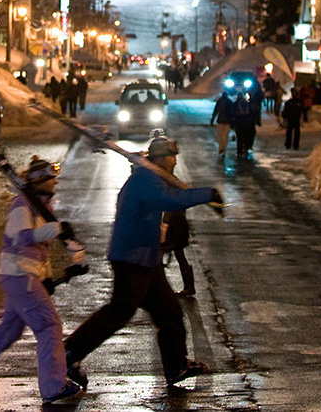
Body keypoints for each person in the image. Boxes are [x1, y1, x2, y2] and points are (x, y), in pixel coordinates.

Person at [63, 135, 221, 389]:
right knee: (119, 312)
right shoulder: (144, 180)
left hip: (147, 260)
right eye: (170, 156)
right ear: (159, 157)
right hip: (132, 260)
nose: (174, 161)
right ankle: (69, 353)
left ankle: (176, 366)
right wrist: (206, 194)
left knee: (169, 313)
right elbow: (169, 200)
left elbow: (169, 199)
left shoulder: (149, 178)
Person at [0, 157, 85, 404]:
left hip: (23, 276)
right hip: (20, 276)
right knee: (48, 326)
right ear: (39, 181)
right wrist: (57, 229)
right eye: (51, 179)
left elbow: (40, 250)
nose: (55, 183)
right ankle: (54, 386)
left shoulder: (42, 208)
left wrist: (49, 277)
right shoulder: (22, 205)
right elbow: (23, 238)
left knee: (8, 330)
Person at [161, 207, 194, 297]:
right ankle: (189, 287)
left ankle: (157, 286)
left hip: (173, 226)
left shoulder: (171, 193)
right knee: (179, 254)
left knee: (160, 252)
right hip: (180, 224)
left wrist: (164, 226)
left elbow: (170, 208)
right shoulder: (182, 193)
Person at [232, 92, 258, 159]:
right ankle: (246, 149)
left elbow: (233, 115)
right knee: (246, 137)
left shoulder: (235, 105)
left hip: (239, 125)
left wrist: (233, 123)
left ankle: (240, 151)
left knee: (240, 138)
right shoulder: (248, 105)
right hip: (247, 124)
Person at [209, 91, 232, 157]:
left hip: (220, 121)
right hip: (227, 122)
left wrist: (212, 119)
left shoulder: (220, 101)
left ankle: (221, 148)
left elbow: (216, 110)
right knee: (225, 136)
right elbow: (232, 113)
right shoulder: (229, 102)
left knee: (219, 136)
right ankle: (223, 149)